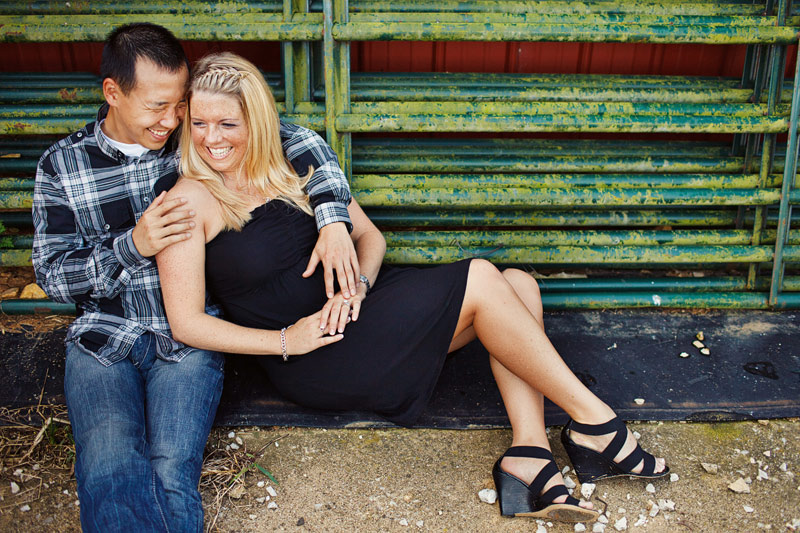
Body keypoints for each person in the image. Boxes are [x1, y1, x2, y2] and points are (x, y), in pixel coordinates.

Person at [157, 52, 670, 524]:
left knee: (518, 284)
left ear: (257, 121)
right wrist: (288, 340)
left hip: (364, 309)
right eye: (198, 123)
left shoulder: (291, 164)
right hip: (315, 354)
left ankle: (530, 452)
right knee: (482, 277)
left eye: (228, 124)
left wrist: (357, 286)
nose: (211, 138)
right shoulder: (188, 201)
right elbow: (186, 322)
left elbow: (370, 237)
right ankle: (596, 422)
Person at [31, 24, 358, 532]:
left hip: (189, 340)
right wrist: (133, 245)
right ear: (113, 93)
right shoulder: (63, 166)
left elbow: (294, 140)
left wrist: (333, 218)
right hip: (104, 335)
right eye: (157, 107)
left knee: (172, 469)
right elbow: (52, 276)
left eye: (179, 105)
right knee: (109, 461)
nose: (171, 120)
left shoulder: (196, 137)